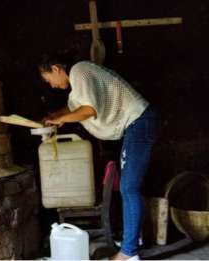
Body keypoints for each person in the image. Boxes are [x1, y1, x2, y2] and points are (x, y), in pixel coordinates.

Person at [39, 54, 159, 260]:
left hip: (139, 121)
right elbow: (73, 107)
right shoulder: (76, 87)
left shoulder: (79, 71)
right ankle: (132, 244)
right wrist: (55, 116)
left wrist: (62, 120)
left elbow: (89, 110)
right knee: (128, 187)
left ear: (56, 68)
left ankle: (129, 253)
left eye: (47, 78)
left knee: (129, 187)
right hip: (137, 124)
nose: (50, 85)